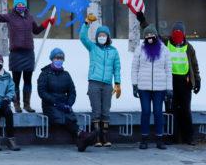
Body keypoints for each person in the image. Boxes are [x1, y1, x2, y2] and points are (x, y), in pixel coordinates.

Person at [136, 12, 200, 145]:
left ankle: (189, 137)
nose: (177, 33)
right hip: (169, 82)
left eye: (180, 31)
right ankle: (173, 137)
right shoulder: (165, 42)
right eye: (175, 31)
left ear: (183, 33)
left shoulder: (189, 47)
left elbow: (194, 65)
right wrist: (143, 21)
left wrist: (197, 80)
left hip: (185, 83)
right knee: (171, 111)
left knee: (186, 110)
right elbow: (152, 33)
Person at [0, 0, 55, 113]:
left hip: (28, 53)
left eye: (22, 4)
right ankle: (16, 104)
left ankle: (27, 104)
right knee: (16, 81)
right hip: (16, 54)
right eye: (18, 4)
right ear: (14, 6)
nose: (20, 6)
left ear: (25, 5)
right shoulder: (10, 17)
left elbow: (36, 30)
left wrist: (46, 23)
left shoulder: (29, 17)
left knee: (28, 80)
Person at [37, 48, 98, 152]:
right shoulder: (44, 74)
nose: (59, 60)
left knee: (69, 117)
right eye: (57, 58)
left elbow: (72, 91)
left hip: (64, 104)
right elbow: (42, 92)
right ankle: (82, 136)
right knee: (65, 118)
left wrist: (69, 104)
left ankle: (81, 141)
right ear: (52, 59)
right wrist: (56, 103)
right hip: (50, 105)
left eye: (61, 58)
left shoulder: (66, 74)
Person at [80, 13, 121, 147]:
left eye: (104, 35)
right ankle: (96, 137)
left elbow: (117, 68)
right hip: (94, 82)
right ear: (97, 37)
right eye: (100, 35)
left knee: (105, 111)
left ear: (108, 37)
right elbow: (82, 37)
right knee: (96, 111)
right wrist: (86, 23)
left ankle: (105, 136)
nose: (102, 37)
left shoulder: (113, 51)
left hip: (108, 84)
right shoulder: (93, 47)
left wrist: (118, 83)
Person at [131, 24, 173, 150]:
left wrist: (169, 88)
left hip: (160, 88)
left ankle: (159, 139)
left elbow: (168, 70)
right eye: (147, 35)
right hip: (143, 87)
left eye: (151, 34)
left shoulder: (164, 49)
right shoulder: (140, 49)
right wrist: (134, 84)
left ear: (156, 35)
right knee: (145, 111)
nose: (149, 37)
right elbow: (135, 68)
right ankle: (144, 139)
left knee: (158, 112)